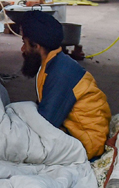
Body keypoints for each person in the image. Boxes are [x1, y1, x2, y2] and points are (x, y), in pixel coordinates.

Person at [19, 11, 111, 159]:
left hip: (88, 145)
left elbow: (46, 123)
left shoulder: (61, 72)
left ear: (36, 46)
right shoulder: (52, 63)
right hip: (73, 133)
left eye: (24, 43)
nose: (22, 49)